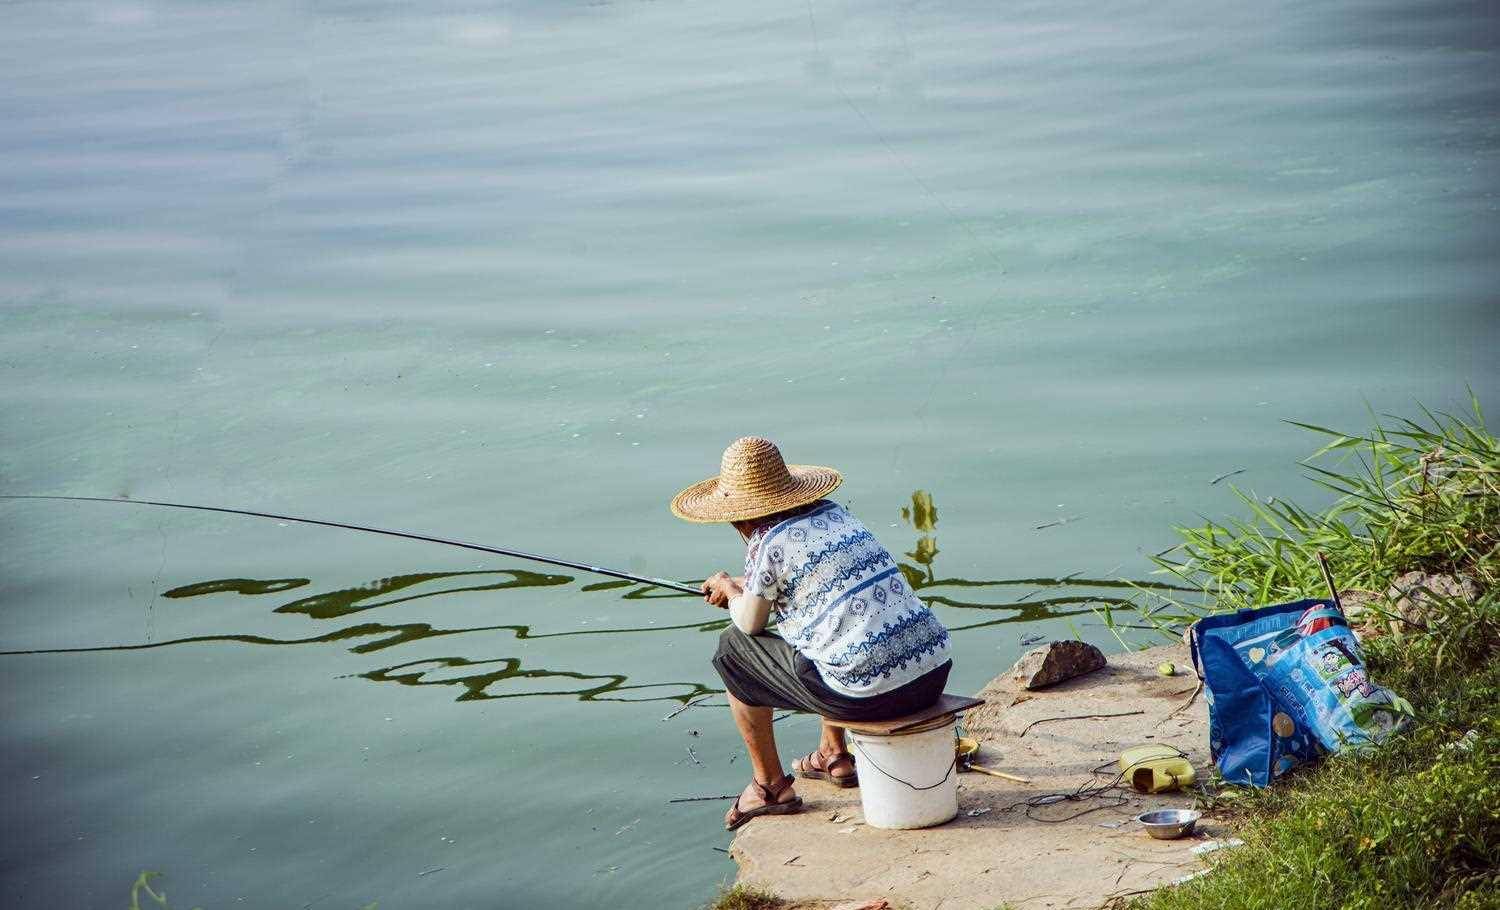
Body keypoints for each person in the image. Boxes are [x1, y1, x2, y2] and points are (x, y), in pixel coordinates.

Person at [670, 436, 953, 830]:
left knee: (733, 651)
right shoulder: (834, 515)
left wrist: (732, 591)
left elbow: (750, 623)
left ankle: (769, 787)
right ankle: (833, 754)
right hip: (931, 674)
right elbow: (813, 589)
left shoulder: (765, 541)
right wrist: (743, 587)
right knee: (830, 628)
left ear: (741, 516)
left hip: (873, 697)